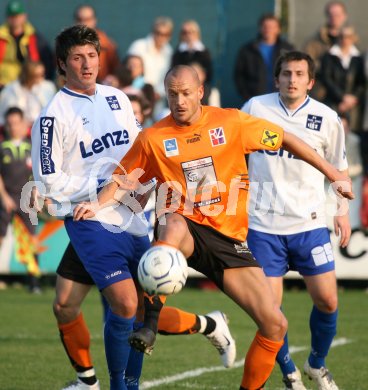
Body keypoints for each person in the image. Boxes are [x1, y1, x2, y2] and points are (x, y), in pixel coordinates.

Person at [73, 65, 353, 390]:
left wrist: (334, 175)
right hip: (183, 229)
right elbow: (124, 177)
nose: (179, 101)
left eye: (186, 93)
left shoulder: (231, 122)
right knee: (172, 221)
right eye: (172, 94)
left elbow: (287, 139)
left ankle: (218, 345)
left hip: (228, 238)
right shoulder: (153, 137)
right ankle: (149, 326)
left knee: (275, 325)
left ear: (200, 92)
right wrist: (97, 205)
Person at [30, 26, 235, 390]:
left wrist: (143, 185)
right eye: (77, 58)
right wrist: (104, 190)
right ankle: (103, 384)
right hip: (89, 217)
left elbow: (143, 149)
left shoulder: (118, 99)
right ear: (62, 64)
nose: (87, 64)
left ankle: (206, 326)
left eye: (92, 56)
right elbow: (47, 179)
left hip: (135, 216)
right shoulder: (51, 117)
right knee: (124, 305)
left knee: (129, 308)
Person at [242, 51, 350, 390]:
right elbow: (233, 150)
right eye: (286, 73)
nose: (292, 79)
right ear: (276, 79)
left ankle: (316, 365)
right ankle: (289, 372)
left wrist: (342, 212)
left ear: (311, 81)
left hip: (310, 224)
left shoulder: (326, 117)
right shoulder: (255, 109)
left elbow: (339, 167)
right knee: (270, 314)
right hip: (263, 227)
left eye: (299, 74)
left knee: (328, 300)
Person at [0, 107, 41, 293]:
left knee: (33, 240)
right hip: (6, 197)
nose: (13, 127)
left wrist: (35, 194)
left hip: (25, 197)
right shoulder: (2, 147)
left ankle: (34, 283)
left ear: (24, 124)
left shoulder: (32, 147)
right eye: (9, 123)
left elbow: (36, 175)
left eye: (16, 122)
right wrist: (4, 197)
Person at [234, 13, 295, 102]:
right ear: (260, 28)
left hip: (282, 100)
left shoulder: (287, 49)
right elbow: (239, 75)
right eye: (265, 26)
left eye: (272, 27)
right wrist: (247, 96)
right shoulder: (248, 50)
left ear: (278, 29)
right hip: (256, 100)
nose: (268, 30)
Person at [320, 25, 365, 133]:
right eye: (342, 36)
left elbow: (361, 82)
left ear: (354, 38)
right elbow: (326, 79)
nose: (345, 39)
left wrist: (351, 99)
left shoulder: (358, 58)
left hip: (353, 108)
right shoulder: (328, 56)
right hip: (332, 104)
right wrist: (342, 98)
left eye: (348, 36)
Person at [126, 16, 173, 120]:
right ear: (153, 31)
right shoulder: (138, 46)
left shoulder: (169, 51)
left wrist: (159, 93)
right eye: (158, 33)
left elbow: (168, 76)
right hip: (136, 97)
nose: (161, 37)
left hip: (158, 101)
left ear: (169, 36)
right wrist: (146, 91)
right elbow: (129, 71)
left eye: (165, 34)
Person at [0, 0, 54, 89]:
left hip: (31, 85)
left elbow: (47, 63)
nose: (15, 19)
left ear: (24, 16)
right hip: (4, 86)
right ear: (7, 17)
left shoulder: (35, 38)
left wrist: (40, 80)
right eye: (12, 16)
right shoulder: (1, 36)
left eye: (18, 15)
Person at [303, 1, 348, 100]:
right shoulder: (313, 43)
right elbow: (306, 66)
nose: (334, 17)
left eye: (337, 15)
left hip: (347, 100)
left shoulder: (352, 41)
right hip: (322, 96)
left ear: (345, 16)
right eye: (331, 14)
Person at [0, 60, 56, 128]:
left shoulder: (48, 87)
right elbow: (5, 116)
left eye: (43, 74)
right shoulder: (10, 90)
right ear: (28, 75)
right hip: (15, 130)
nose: (42, 77)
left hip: (41, 128)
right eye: (37, 75)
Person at [73, 4, 120, 83]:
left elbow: (116, 70)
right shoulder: (67, 44)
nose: (83, 23)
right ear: (75, 21)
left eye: (87, 19)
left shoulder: (107, 44)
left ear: (94, 20)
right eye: (80, 19)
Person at [172, 20, 213, 98]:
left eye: (191, 32)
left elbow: (209, 75)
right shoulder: (177, 53)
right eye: (185, 32)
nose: (188, 35)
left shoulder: (204, 52)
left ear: (197, 33)